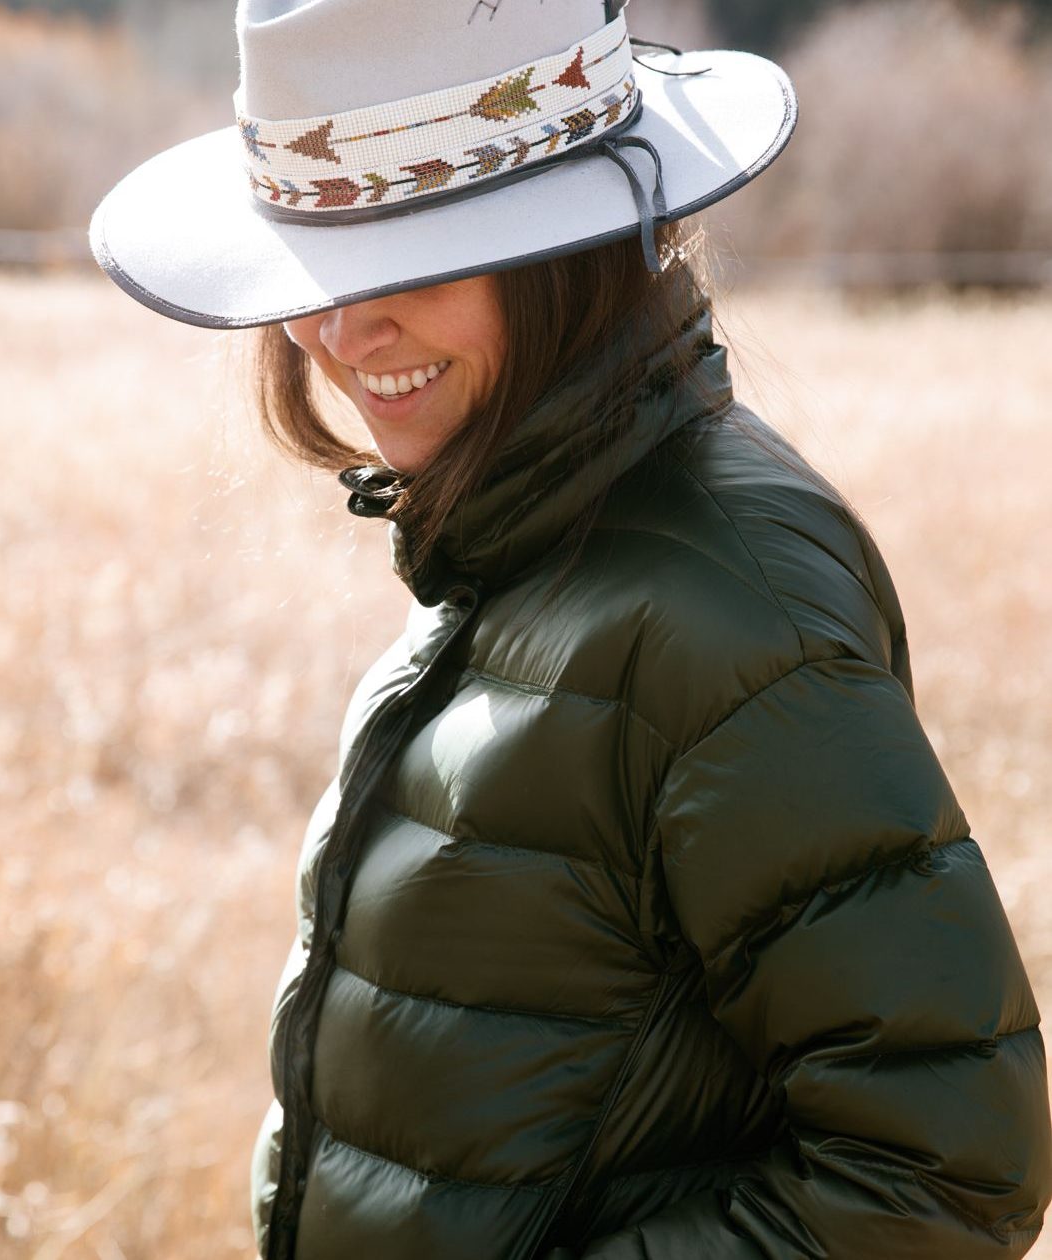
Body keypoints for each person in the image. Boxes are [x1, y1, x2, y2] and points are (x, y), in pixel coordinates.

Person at [90, 0, 1052, 1256]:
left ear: (570, 247)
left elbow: (944, 1170)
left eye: (412, 250)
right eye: (319, 260)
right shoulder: (533, 544)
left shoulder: (723, 611)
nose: (340, 330)